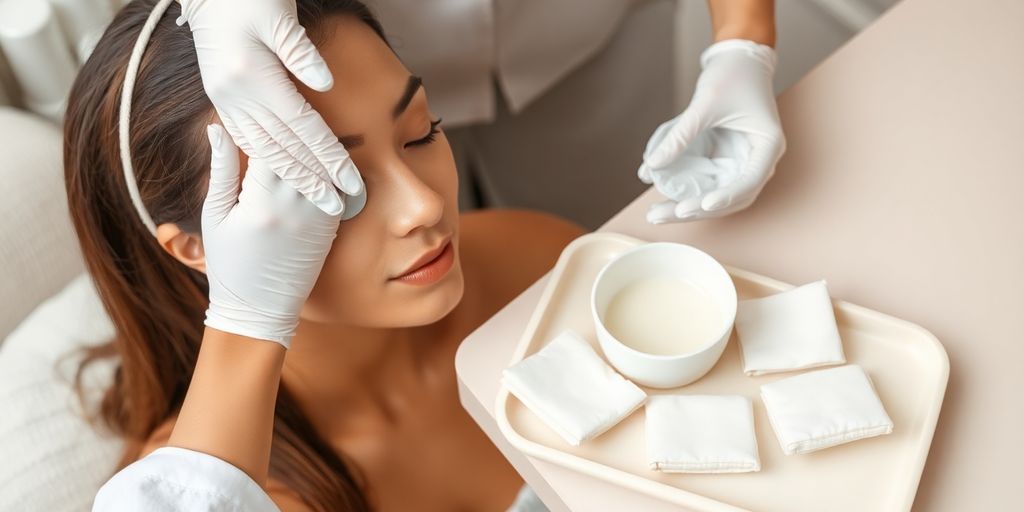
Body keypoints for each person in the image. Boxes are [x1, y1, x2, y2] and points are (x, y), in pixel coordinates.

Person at [71, 1, 582, 510]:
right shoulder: (239, 491)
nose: (423, 206)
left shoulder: (535, 268)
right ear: (198, 248)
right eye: (340, 188)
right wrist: (247, 321)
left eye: (420, 131)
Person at [179, 0, 785, 228]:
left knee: (616, 232)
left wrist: (743, 39)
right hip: (333, 65)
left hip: (583, 38)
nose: (423, 206)